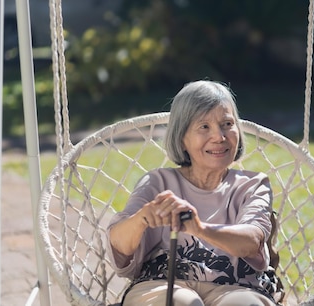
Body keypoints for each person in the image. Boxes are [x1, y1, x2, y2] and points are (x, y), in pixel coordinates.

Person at [106, 80, 280, 306]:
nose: (219, 136)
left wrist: (199, 228)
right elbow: (119, 244)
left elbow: (251, 241)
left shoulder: (253, 184)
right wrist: (142, 219)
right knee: (183, 303)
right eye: (204, 127)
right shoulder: (158, 182)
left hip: (237, 287)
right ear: (182, 138)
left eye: (227, 124)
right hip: (163, 283)